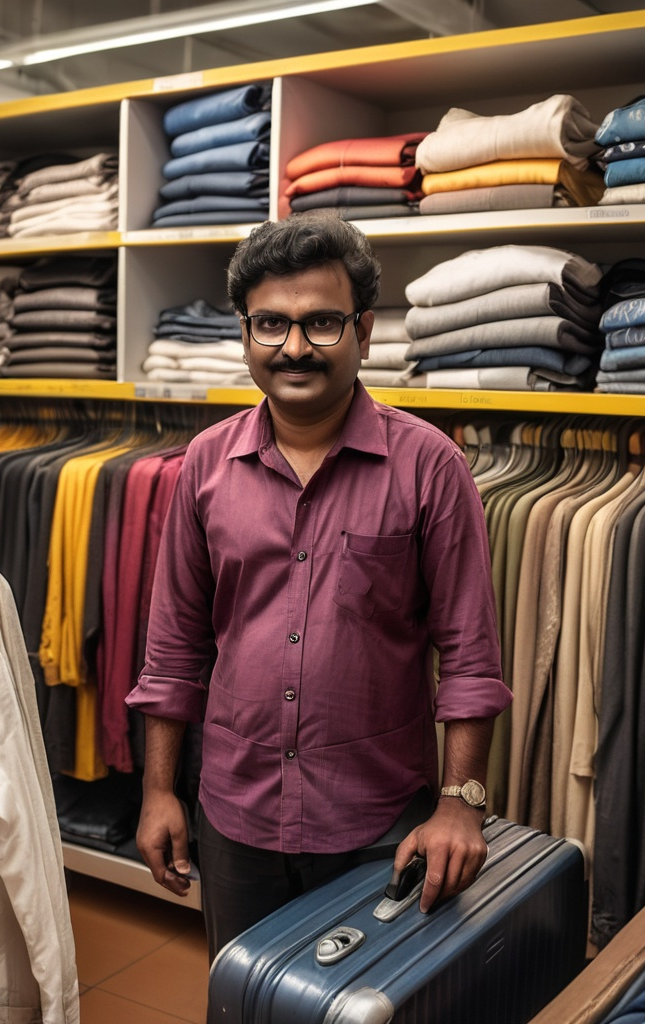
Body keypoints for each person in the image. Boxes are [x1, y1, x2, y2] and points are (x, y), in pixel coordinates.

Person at [126, 212, 512, 968]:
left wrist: (461, 805)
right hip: (235, 816)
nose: (294, 347)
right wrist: (160, 791)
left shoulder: (430, 467)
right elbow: (173, 647)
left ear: (364, 332)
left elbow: (470, 657)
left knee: (369, 1006)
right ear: (244, 334)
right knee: (246, 1001)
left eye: (322, 323)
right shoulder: (204, 465)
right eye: (270, 323)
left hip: (379, 821)